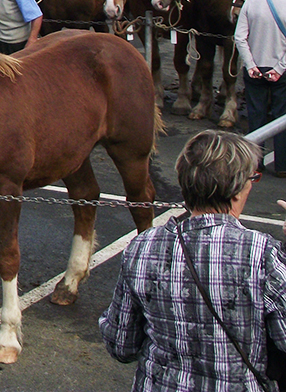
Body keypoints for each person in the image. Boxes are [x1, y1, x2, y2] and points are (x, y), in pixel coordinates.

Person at [101, 130, 286, 391]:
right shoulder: (261, 252)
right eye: (252, 179)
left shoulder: (143, 247)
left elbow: (121, 345)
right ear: (236, 189)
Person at [235, 0, 286, 176]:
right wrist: (280, 68)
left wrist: (251, 65)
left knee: (255, 114)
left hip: (256, 67)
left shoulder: (251, 2)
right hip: (281, 70)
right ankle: (283, 165)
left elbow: (240, 37)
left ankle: (255, 164)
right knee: (281, 116)